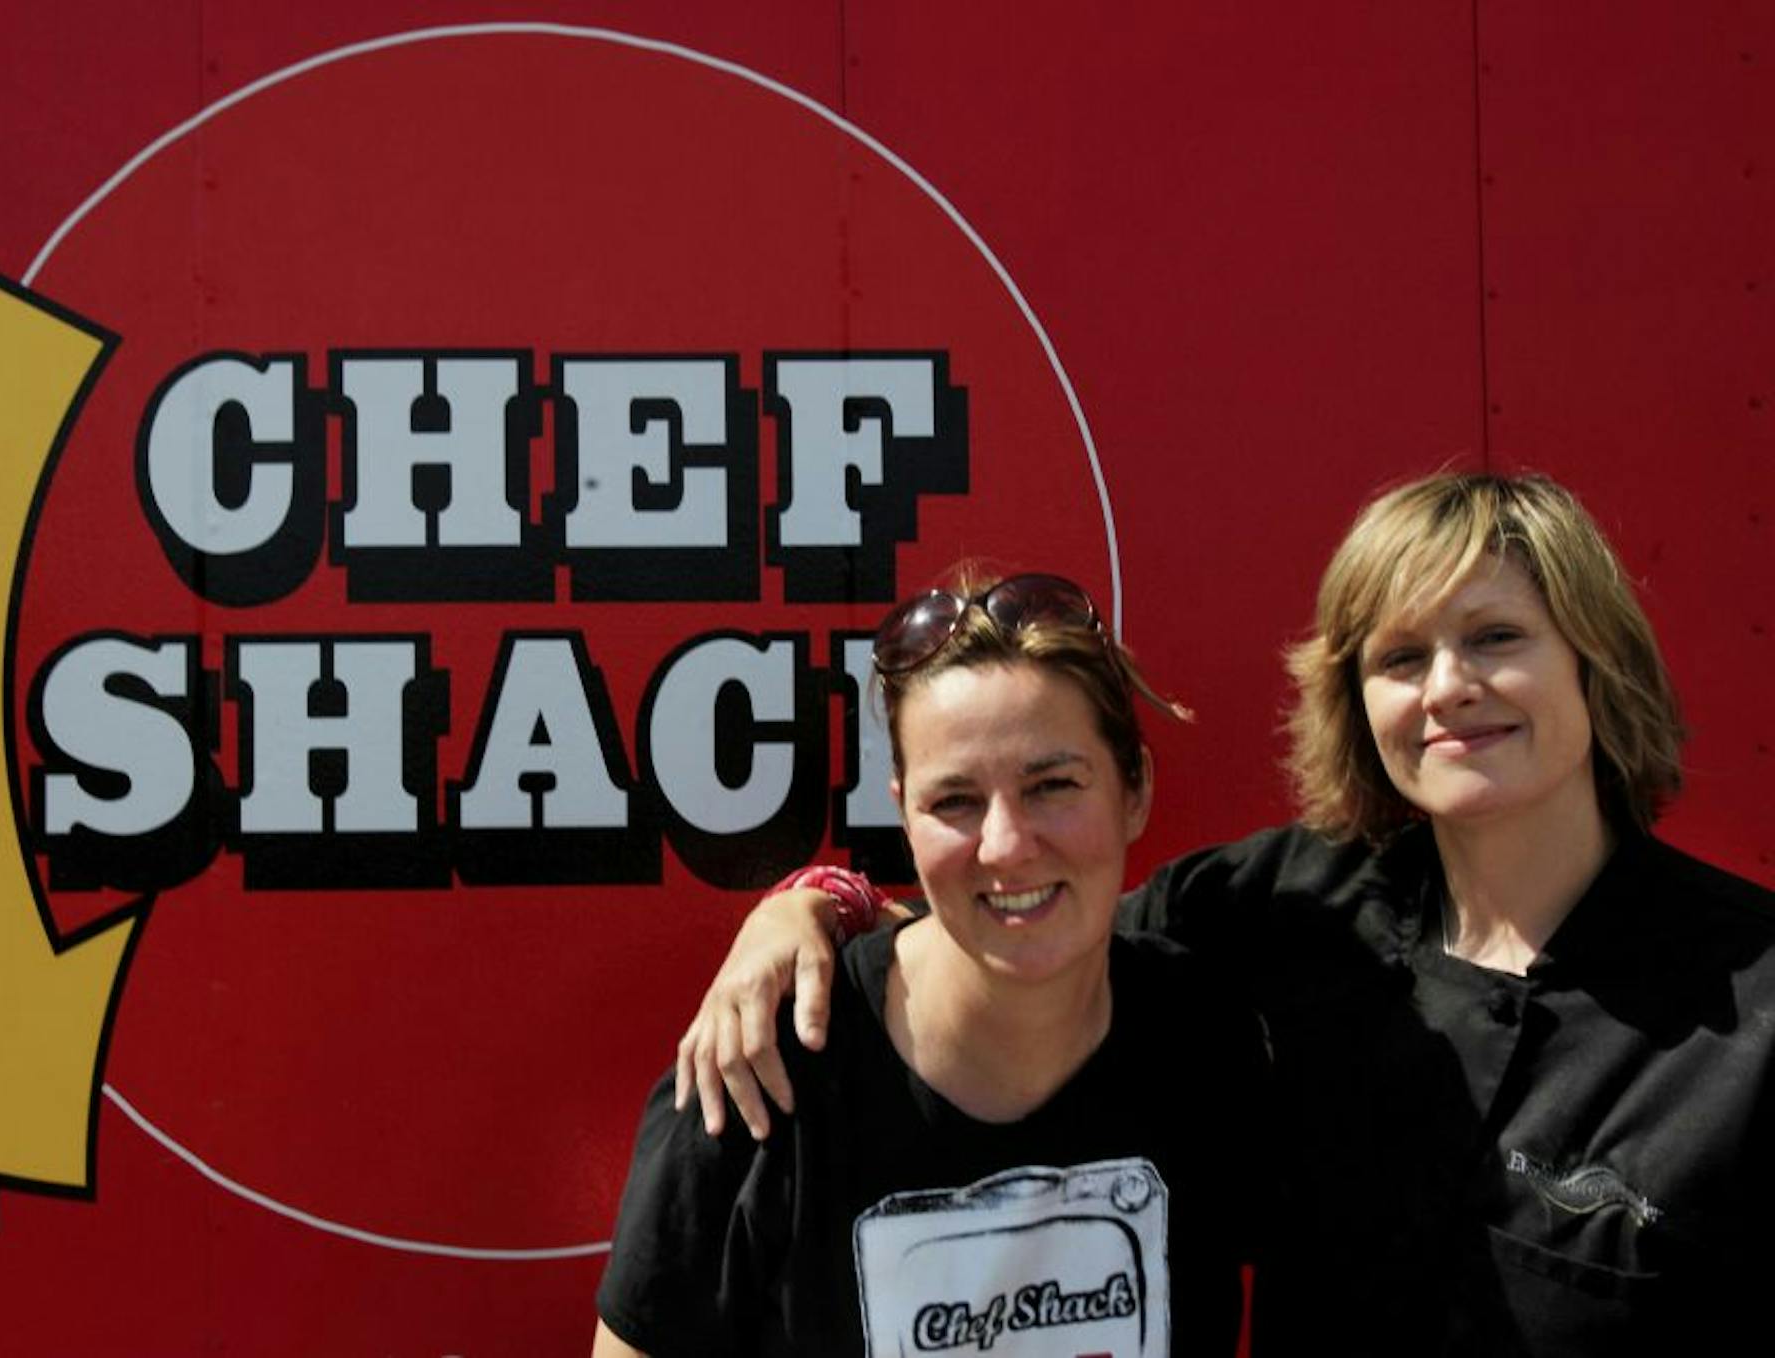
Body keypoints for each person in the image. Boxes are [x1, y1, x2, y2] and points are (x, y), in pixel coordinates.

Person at [673, 472, 1775, 1356]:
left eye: (1495, 637)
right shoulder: (1291, 903)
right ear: (1360, 702)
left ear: (1594, 660)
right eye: (1401, 655)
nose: (1447, 686)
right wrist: (814, 907)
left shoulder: (1755, 1000)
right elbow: (1017, 911)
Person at [594, 569, 1267, 1356]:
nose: (1007, 846)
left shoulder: (1213, 1041)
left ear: (1135, 792)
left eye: (1053, 785)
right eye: (955, 802)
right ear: (903, 818)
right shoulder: (758, 1072)